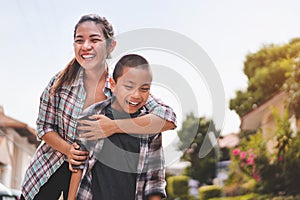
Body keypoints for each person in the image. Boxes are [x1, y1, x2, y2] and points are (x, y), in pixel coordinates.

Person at [20, 14, 176, 200]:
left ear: (111, 46)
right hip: (50, 167)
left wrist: (113, 126)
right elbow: (44, 127)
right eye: (79, 40)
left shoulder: (123, 87)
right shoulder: (60, 83)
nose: (86, 46)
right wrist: (69, 150)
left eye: (94, 40)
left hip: (88, 177)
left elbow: (167, 118)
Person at [69, 54, 166, 200]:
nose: (136, 95)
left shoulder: (150, 127)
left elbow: (155, 181)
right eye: (128, 86)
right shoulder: (91, 117)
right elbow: (78, 168)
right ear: (113, 85)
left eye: (144, 89)